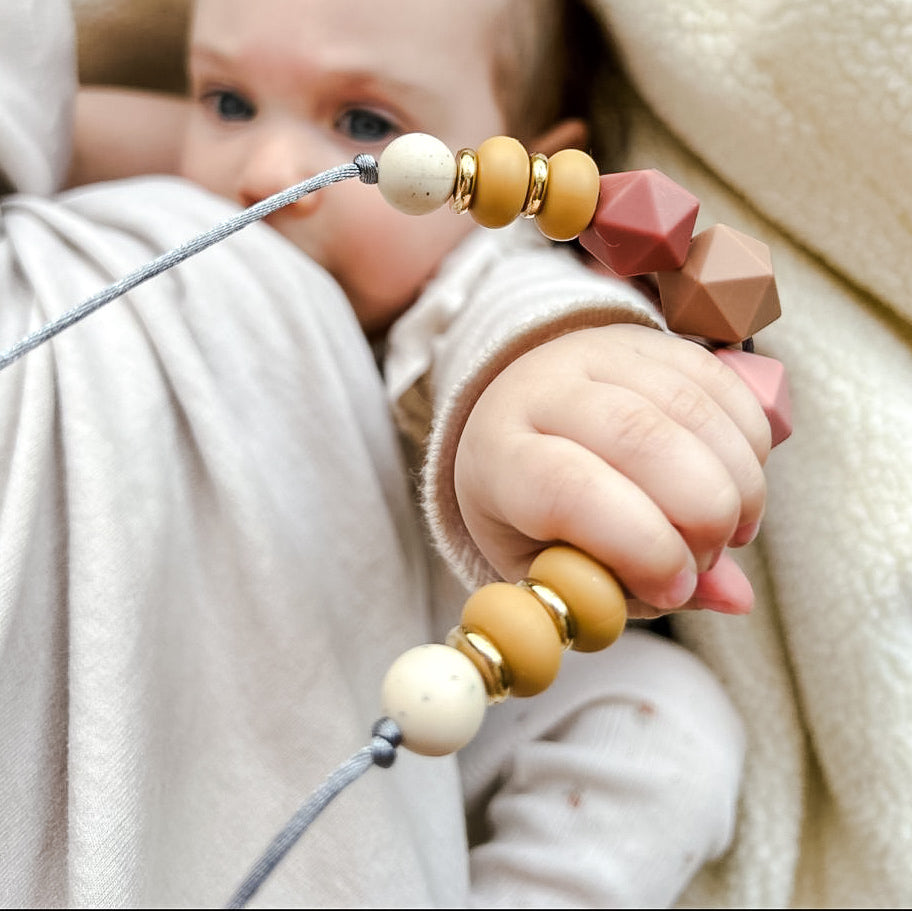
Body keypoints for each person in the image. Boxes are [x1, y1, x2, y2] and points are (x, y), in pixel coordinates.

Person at [0, 0, 775, 906]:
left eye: (366, 122)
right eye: (227, 100)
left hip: (388, 667)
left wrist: (537, 387)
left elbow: (512, 313)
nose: (269, 171)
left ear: (525, 166)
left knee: (671, 723)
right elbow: (55, 119)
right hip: (159, 658)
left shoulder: (471, 267)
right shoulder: (198, 216)